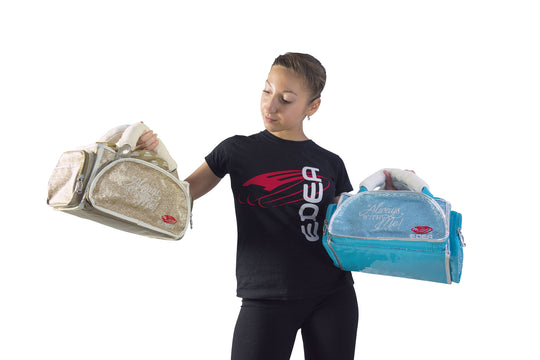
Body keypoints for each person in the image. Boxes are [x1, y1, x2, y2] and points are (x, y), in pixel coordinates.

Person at [136, 53, 401, 360]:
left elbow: (349, 227)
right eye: (266, 91)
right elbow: (178, 197)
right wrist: (152, 158)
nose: (270, 106)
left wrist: (388, 198)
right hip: (266, 296)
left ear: (312, 106)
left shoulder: (330, 163)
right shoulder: (235, 151)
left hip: (333, 295)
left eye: (286, 99)